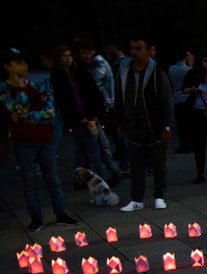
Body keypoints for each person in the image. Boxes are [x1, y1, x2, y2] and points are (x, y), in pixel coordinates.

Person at [1, 47, 77, 231]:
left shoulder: (39, 84)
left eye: (24, 62)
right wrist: (25, 107)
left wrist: (27, 116)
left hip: (44, 138)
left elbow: (49, 113)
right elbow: (16, 111)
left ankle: (60, 213)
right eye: (18, 63)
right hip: (23, 142)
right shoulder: (4, 89)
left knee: (52, 178)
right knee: (29, 181)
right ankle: (36, 217)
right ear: (7, 66)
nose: (24, 66)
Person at [114, 35, 175, 211]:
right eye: (132, 48)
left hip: (154, 126)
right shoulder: (124, 72)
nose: (134, 52)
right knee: (136, 165)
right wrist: (118, 122)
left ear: (148, 51)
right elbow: (119, 97)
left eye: (139, 48)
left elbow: (167, 100)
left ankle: (159, 196)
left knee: (158, 164)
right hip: (133, 126)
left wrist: (167, 125)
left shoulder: (157, 73)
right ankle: (136, 199)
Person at [50, 45, 110, 184]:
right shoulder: (58, 75)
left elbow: (90, 92)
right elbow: (64, 100)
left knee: (84, 149)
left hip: (87, 113)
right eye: (64, 56)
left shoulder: (78, 71)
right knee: (91, 148)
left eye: (69, 55)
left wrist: (94, 112)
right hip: (76, 117)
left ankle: (83, 178)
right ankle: (100, 179)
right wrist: (77, 117)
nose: (67, 59)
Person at [74, 40, 120, 183]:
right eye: (84, 53)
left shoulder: (89, 67)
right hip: (91, 115)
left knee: (98, 145)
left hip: (94, 113)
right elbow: (90, 93)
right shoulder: (84, 70)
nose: (87, 55)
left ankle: (109, 172)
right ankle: (106, 174)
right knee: (96, 146)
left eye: (88, 52)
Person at [182, 50, 207, 183]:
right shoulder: (193, 74)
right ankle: (201, 173)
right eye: (205, 61)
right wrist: (192, 90)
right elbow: (184, 89)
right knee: (199, 144)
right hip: (197, 111)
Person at [168, 48, 194, 152]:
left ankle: (183, 144)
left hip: (176, 98)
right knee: (189, 124)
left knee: (180, 125)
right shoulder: (188, 69)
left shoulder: (171, 68)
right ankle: (190, 144)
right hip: (187, 98)